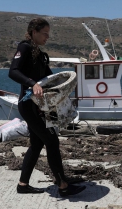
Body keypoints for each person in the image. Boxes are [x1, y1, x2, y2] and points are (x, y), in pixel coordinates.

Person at [8, 18, 86, 197]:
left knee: (37, 143)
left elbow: (50, 80)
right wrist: (31, 83)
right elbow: (13, 71)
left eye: (48, 34)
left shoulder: (40, 55)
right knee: (52, 141)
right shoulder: (25, 47)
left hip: (41, 107)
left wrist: (64, 93)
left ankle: (23, 184)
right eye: (44, 34)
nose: (47, 37)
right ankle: (63, 185)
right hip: (29, 106)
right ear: (34, 31)